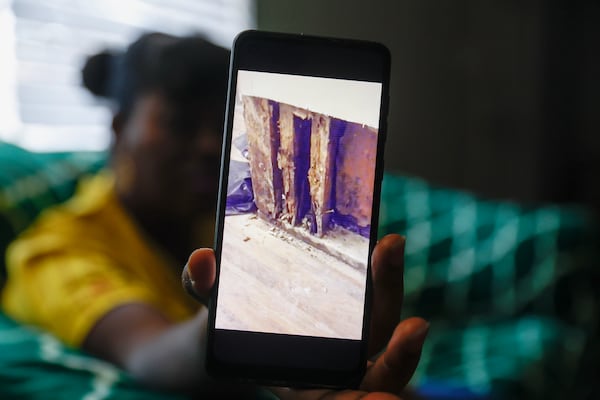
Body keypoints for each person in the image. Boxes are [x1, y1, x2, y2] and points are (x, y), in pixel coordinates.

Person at [1, 32, 429, 399]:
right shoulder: (56, 252)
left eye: (224, 125)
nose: (210, 147)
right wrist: (230, 323)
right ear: (119, 129)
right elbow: (148, 352)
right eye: (180, 123)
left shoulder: (228, 208)